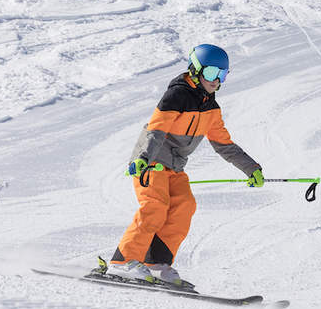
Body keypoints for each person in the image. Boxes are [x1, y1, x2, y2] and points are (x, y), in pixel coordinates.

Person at [104, 44, 263, 288]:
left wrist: (251, 168)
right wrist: (143, 158)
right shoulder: (175, 96)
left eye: (222, 75)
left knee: (185, 205)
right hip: (151, 161)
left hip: (175, 167)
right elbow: (156, 129)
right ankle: (123, 261)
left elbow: (223, 145)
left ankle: (157, 263)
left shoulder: (211, 108)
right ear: (196, 70)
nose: (216, 81)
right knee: (155, 206)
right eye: (211, 73)